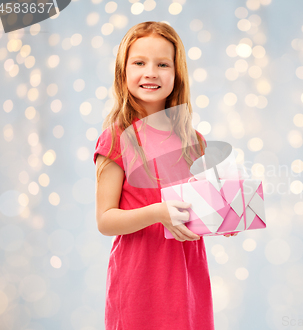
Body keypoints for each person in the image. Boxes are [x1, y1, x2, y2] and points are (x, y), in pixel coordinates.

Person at [93, 21, 237, 330]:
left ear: (177, 73)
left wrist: (226, 216)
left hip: (187, 279)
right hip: (139, 282)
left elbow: (199, 207)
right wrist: (158, 213)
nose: (151, 72)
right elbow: (105, 220)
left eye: (162, 64)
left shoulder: (193, 140)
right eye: (140, 62)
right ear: (123, 71)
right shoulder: (117, 138)